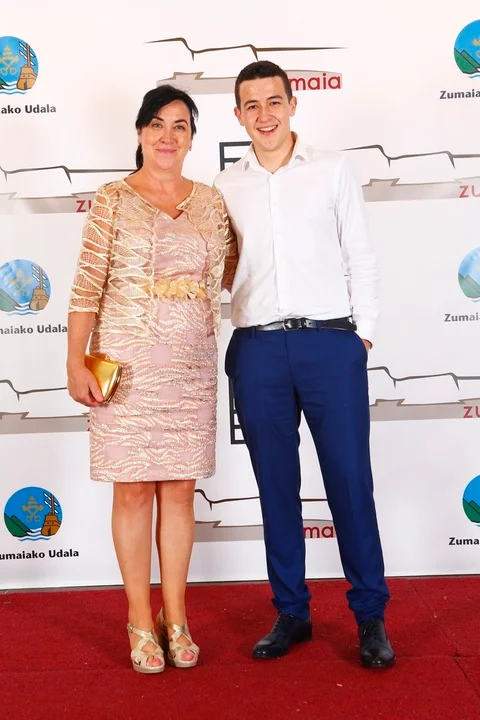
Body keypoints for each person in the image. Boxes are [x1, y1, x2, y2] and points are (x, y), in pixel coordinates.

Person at [214, 61, 395, 669]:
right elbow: (220, 269)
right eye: (251, 105)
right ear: (238, 115)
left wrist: (362, 337)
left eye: (274, 101)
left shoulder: (332, 169)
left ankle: (370, 614)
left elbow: (361, 255)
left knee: (349, 480)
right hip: (258, 349)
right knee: (275, 487)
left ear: (293, 104)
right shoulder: (225, 185)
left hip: (329, 345)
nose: (264, 115)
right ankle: (291, 610)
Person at [67, 85, 237, 674]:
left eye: (181, 126)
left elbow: (232, 273)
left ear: (192, 138)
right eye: (157, 124)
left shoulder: (211, 202)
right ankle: (141, 620)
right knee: (134, 490)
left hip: (190, 366)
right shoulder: (113, 200)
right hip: (127, 366)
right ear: (140, 132)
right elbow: (86, 287)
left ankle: (177, 618)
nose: (168, 136)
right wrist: (75, 361)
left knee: (180, 490)